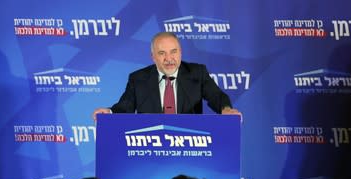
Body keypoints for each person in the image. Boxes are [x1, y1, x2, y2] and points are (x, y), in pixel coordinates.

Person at [92, 32, 242, 120]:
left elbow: (216, 95)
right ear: (153, 57)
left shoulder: (197, 73)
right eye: (162, 53)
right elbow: (125, 106)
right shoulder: (138, 79)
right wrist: (109, 112)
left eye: (173, 52)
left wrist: (226, 109)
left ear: (180, 53)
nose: (169, 59)